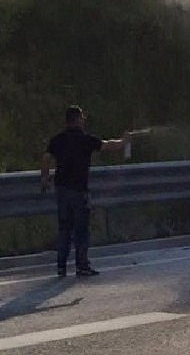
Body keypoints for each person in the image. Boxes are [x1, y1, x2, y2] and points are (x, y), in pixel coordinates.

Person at [41, 106, 129, 277]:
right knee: (81, 229)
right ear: (77, 120)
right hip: (79, 191)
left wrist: (44, 179)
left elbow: (45, 158)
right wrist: (124, 141)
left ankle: (61, 266)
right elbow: (108, 146)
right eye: (82, 117)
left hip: (62, 190)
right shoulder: (85, 139)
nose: (84, 120)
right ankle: (82, 265)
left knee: (64, 228)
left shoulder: (57, 139)